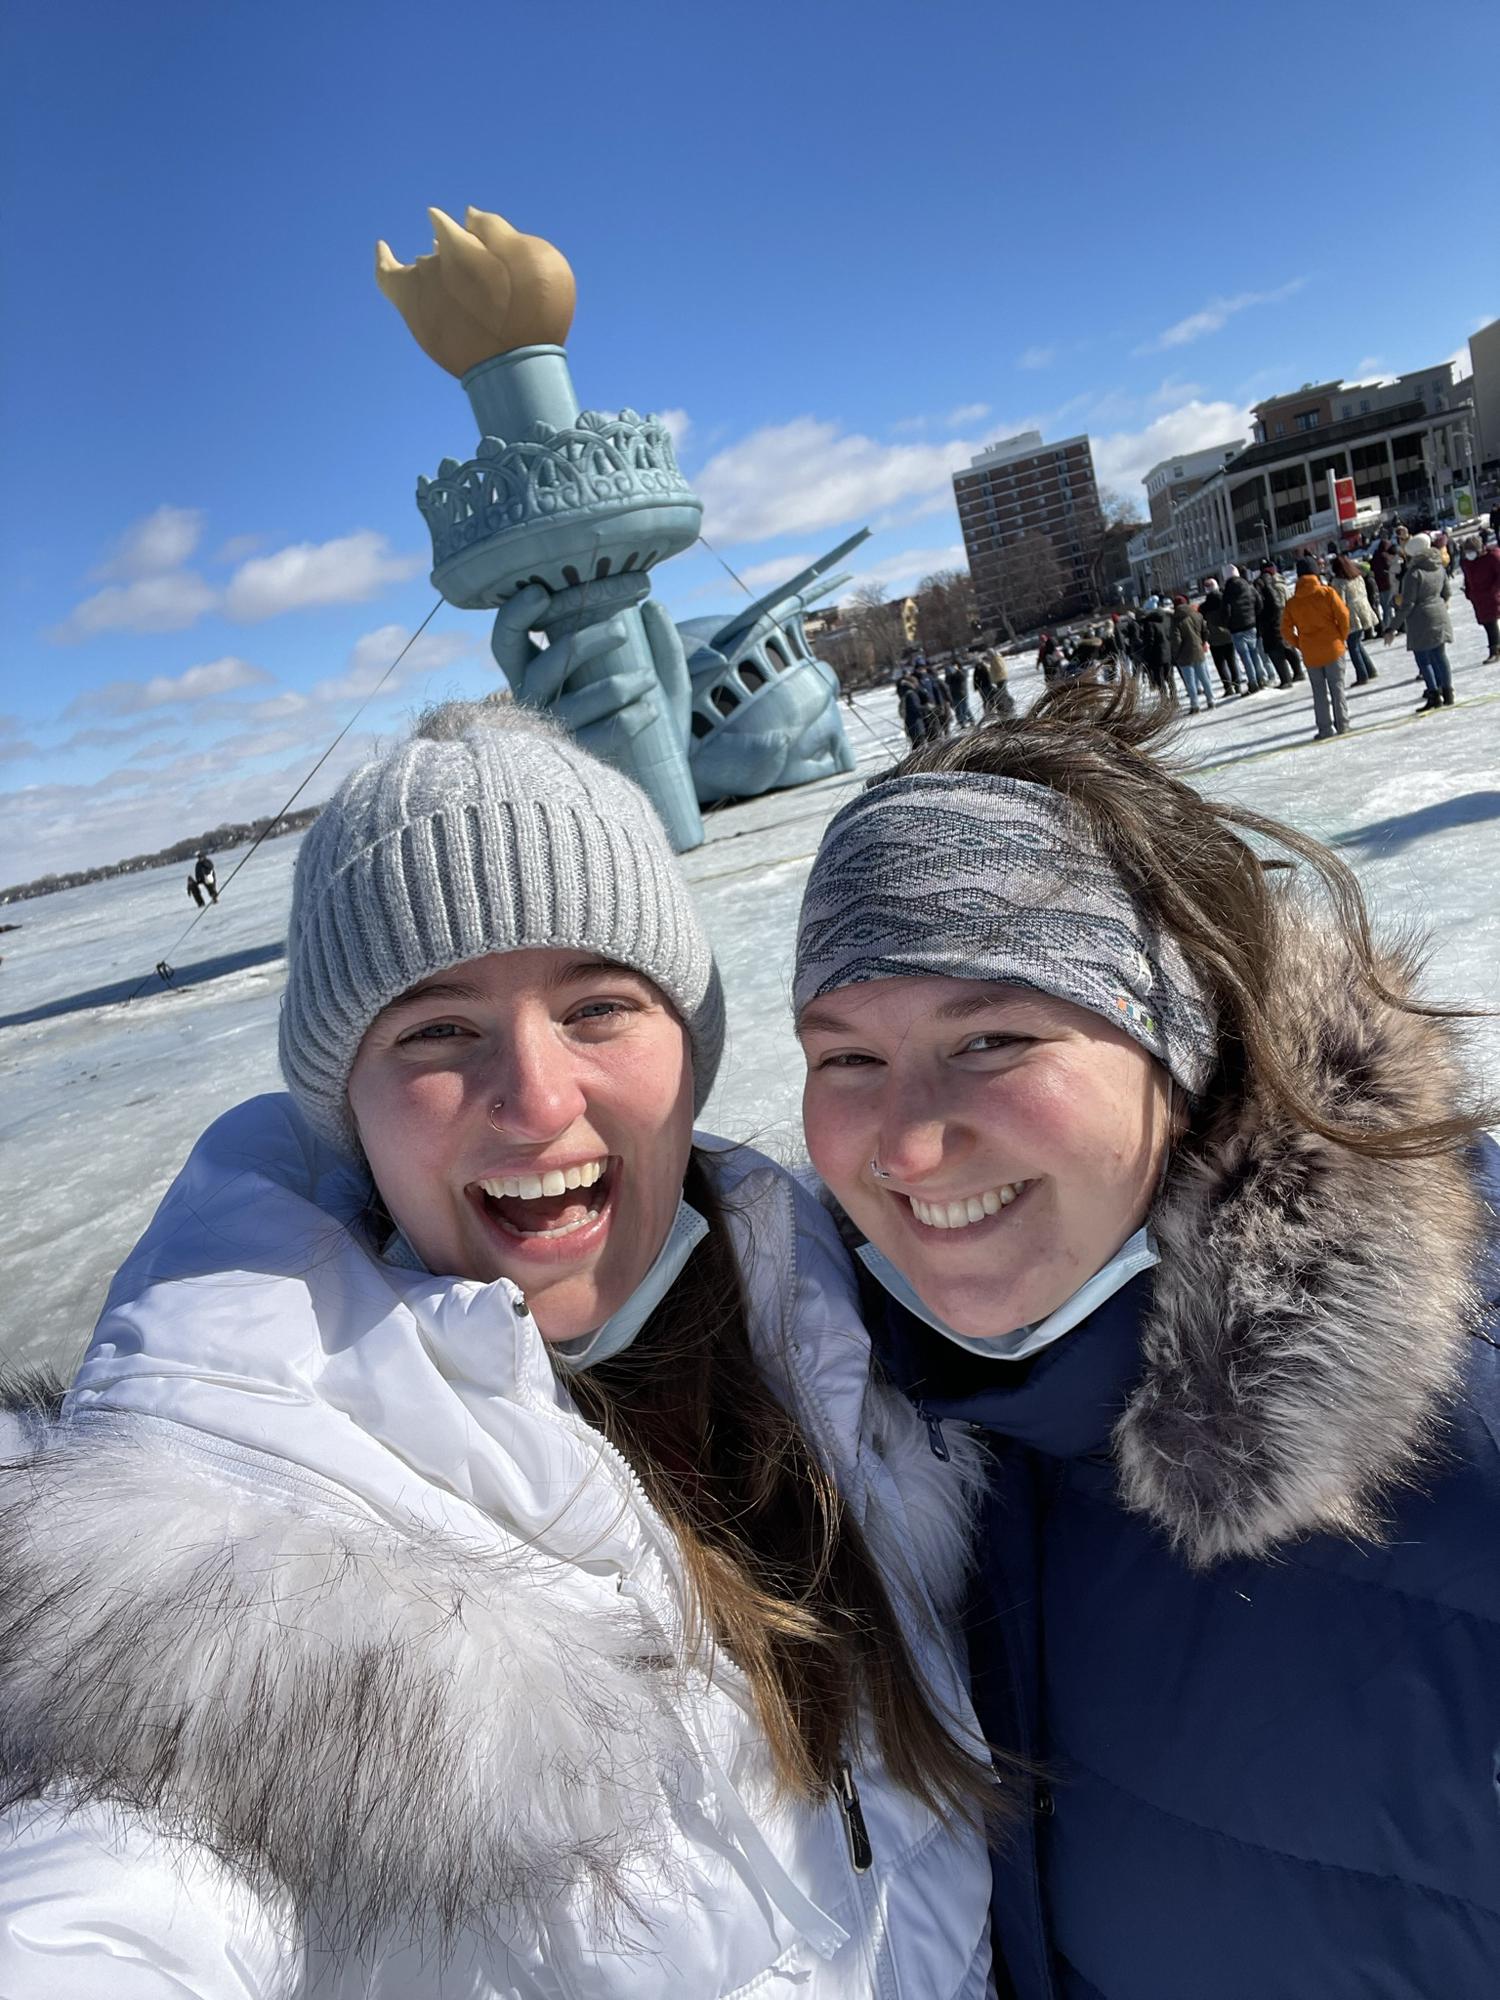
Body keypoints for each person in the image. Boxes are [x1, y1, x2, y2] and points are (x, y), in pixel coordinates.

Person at [0, 703, 998, 2000]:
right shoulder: (226, 1569)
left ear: (687, 1055)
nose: (535, 1100)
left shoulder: (858, 1323)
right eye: (435, 1030)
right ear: (347, 1109)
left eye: (597, 1005)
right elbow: (112, 1899)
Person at [791, 682, 1500, 2000]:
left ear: (1177, 1041)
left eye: (992, 1038)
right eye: (845, 1059)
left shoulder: (1467, 1451)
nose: (906, 1142)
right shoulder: (877, 1414)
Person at [1281, 556, 1351, 738]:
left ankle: (1325, 729)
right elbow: (1343, 615)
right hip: (1333, 647)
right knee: (1337, 689)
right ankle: (1342, 725)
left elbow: (1285, 630)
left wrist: (1300, 644)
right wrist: (1341, 637)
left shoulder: (1292, 602)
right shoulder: (1327, 593)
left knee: (1319, 693)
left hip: (1311, 653)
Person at [1400, 532, 1456, 710]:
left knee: (1423, 659)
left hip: (1420, 619)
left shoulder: (1413, 573)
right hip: (1439, 614)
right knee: (1440, 655)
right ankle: (1448, 692)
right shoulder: (1438, 566)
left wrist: (1392, 627)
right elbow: (1447, 592)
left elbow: (1407, 603)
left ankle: (1434, 695)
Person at [1331, 554, 1380, 684]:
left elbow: (1339, 602)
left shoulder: (1338, 582)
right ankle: (1370, 669)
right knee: (1357, 643)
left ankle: (1362, 675)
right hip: (1364, 611)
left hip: (1351, 615)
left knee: (1353, 646)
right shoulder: (1358, 576)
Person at [1220, 565, 1272, 689]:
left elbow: (1225, 612)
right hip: (1251, 625)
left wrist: (1227, 624)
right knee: (1254, 653)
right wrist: (1253, 616)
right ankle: (1261, 678)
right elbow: (1259, 603)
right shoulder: (1248, 586)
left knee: (1245, 656)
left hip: (1236, 629)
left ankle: (1252, 682)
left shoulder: (1227, 592)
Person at [1254, 560, 1302, 684]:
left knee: (1275, 649)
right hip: (1284, 617)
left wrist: (1263, 618)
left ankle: (1286, 679)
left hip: (1273, 620)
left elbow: (1270, 604)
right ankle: (1298, 672)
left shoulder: (1263, 584)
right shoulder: (1281, 581)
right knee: (1286, 645)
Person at [1169, 592, 1214, 712]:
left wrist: (1176, 654)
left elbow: (1176, 640)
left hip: (1184, 656)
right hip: (1198, 651)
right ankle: (1211, 700)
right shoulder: (1197, 615)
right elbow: (1205, 630)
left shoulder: (1175, 620)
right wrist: (1203, 642)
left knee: (1190, 682)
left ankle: (1195, 705)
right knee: (1204, 678)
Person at [1459, 534, 1500, 662]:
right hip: (1478, 597)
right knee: (1487, 622)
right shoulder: (1466, 562)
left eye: (1472, 551)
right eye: (1467, 552)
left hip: (1491, 595)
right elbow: (1467, 578)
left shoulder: (1492, 557)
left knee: (1491, 622)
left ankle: (1495, 651)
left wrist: (1494, 589)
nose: (1469, 555)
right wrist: (1469, 592)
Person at [1197, 578, 1239, 696]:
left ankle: (1228, 687)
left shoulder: (1204, 606)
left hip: (1214, 638)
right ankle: (1237, 685)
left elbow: (1202, 622)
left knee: (1220, 665)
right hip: (1228, 634)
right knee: (1232, 662)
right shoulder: (1225, 599)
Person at [1135, 598, 1173, 695]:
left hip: (1156, 656)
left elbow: (1150, 641)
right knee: (1170, 678)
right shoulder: (1165, 618)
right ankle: (1174, 698)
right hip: (1168, 652)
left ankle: (1165, 701)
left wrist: (1146, 656)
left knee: (1160, 680)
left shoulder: (1149, 623)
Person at [945, 657, 974, 728]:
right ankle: (962, 723)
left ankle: (971, 720)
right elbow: (947, 682)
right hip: (954, 694)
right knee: (958, 710)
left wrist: (957, 672)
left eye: (954, 665)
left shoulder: (963, 671)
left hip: (963, 693)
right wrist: (949, 675)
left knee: (965, 708)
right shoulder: (951, 674)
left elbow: (963, 678)